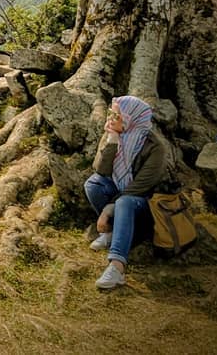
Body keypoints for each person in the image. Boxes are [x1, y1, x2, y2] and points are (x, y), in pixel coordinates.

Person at [83, 94, 166, 289]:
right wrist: (112, 141)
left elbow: (140, 187)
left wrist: (107, 210)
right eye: (110, 114)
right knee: (93, 184)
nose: (110, 119)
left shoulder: (155, 148)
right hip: (120, 196)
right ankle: (112, 231)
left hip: (143, 204)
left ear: (130, 117)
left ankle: (117, 266)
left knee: (124, 202)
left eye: (116, 115)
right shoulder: (116, 133)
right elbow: (101, 170)